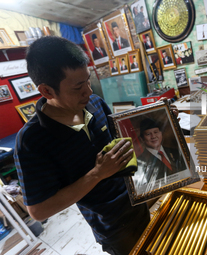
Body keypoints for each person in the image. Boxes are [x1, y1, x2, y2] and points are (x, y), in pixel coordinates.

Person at [14, 36, 150, 255]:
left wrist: (160, 123)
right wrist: (97, 174)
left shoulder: (95, 103)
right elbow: (38, 211)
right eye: (78, 88)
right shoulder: (31, 141)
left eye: (87, 80)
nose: (88, 91)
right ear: (47, 91)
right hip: (113, 226)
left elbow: (123, 143)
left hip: (140, 199)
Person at [133, 118, 187, 193]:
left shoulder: (175, 151)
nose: (153, 136)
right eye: (148, 134)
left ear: (161, 133)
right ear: (142, 139)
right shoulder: (140, 163)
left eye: (156, 132)